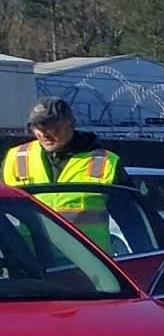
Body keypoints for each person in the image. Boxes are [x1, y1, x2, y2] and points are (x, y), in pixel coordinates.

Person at [5, 97, 122, 250]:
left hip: (90, 266)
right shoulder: (17, 158)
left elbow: (132, 221)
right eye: (37, 126)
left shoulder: (104, 162)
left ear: (70, 123)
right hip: (34, 267)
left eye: (52, 126)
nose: (43, 133)